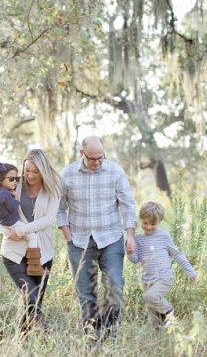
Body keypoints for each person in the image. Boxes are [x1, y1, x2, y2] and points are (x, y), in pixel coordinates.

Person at [57, 136, 137, 337]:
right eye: (93, 159)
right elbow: (59, 209)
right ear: (82, 154)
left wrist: (130, 235)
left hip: (111, 238)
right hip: (79, 241)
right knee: (86, 294)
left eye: (101, 157)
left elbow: (127, 204)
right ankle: (92, 338)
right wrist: (68, 237)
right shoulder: (67, 173)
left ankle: (110, 334)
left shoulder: (116, 171)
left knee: (115, 284)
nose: (98, 162)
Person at [0, 149, 62, 332]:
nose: (29, 175)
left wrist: (22, 230)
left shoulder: (54, 187)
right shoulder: (15, 184)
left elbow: (48, 219)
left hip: (42, 251)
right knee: (31, 294)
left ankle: (23, 341)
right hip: (14, 251)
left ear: (44, 171)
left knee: (33, 303)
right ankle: (43, 332)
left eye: (35, 172)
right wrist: (8, 232)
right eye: (27, 170)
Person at [126, 201, 197, 328]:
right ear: (141, 219)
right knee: (152, 316)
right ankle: (160, 338)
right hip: (147, 280)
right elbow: (135, 259)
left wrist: (190, 271)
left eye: (153, 224)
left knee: (151, 297)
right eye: (145, 223)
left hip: (163, 277)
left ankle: (169, 311)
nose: (148, 227)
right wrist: (130, 252)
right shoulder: (138, 239)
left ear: (160, 222)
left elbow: (177, 254)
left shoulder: (164, 236)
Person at [0, 162, 44, 276]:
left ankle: (32, 266)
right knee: (33, 237)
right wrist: (16, 199)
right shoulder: (4, 194)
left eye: (17, 179)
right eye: (12, 179)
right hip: (12, 223)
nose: (15, 182)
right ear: (1, 179)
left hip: (7, 223)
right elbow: (12, 207)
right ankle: (33, 267)